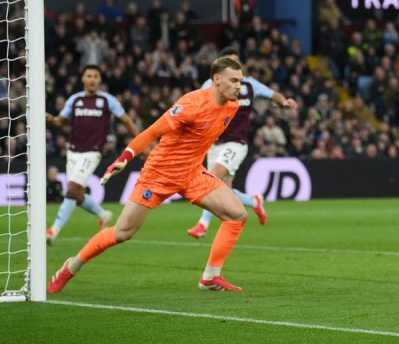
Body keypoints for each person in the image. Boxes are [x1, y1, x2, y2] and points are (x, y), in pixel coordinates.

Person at [48, 56, 250, 293]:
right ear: (217, 80)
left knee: (237, 215)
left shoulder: (232, 106)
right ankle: (71, 266)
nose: (239, 86)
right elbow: (151, 132)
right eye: (234, 80)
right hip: (159, 174)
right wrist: (124, 158)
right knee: (123, 233)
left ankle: (210, 276)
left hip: (192, 174)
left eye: (241, 81)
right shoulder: (191, 104)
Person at [187, 53, 298, 239]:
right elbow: (198, 104)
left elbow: (272, 94)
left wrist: (284, 102)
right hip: (213, 144)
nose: (234, 65)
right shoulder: (211, 85)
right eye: (229, 62)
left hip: (236, 143)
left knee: (211, 178)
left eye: (236, 62)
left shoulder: (250, 84)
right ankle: (253, 201)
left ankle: (202, 224)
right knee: (224, 191)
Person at [45, 65, 138, 245]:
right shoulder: (75, 100)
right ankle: (103, 215)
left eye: (96, 76)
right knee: (77, 194)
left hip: (93, 152)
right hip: (73, 151)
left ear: (100, 80)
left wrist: (140, 139)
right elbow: (61, 120)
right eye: (89, 76)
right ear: (83, 79)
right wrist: (51, 119)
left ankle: (53, 230)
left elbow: (125, 119)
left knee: (72, 189)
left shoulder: (107, 100)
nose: (92, 79)